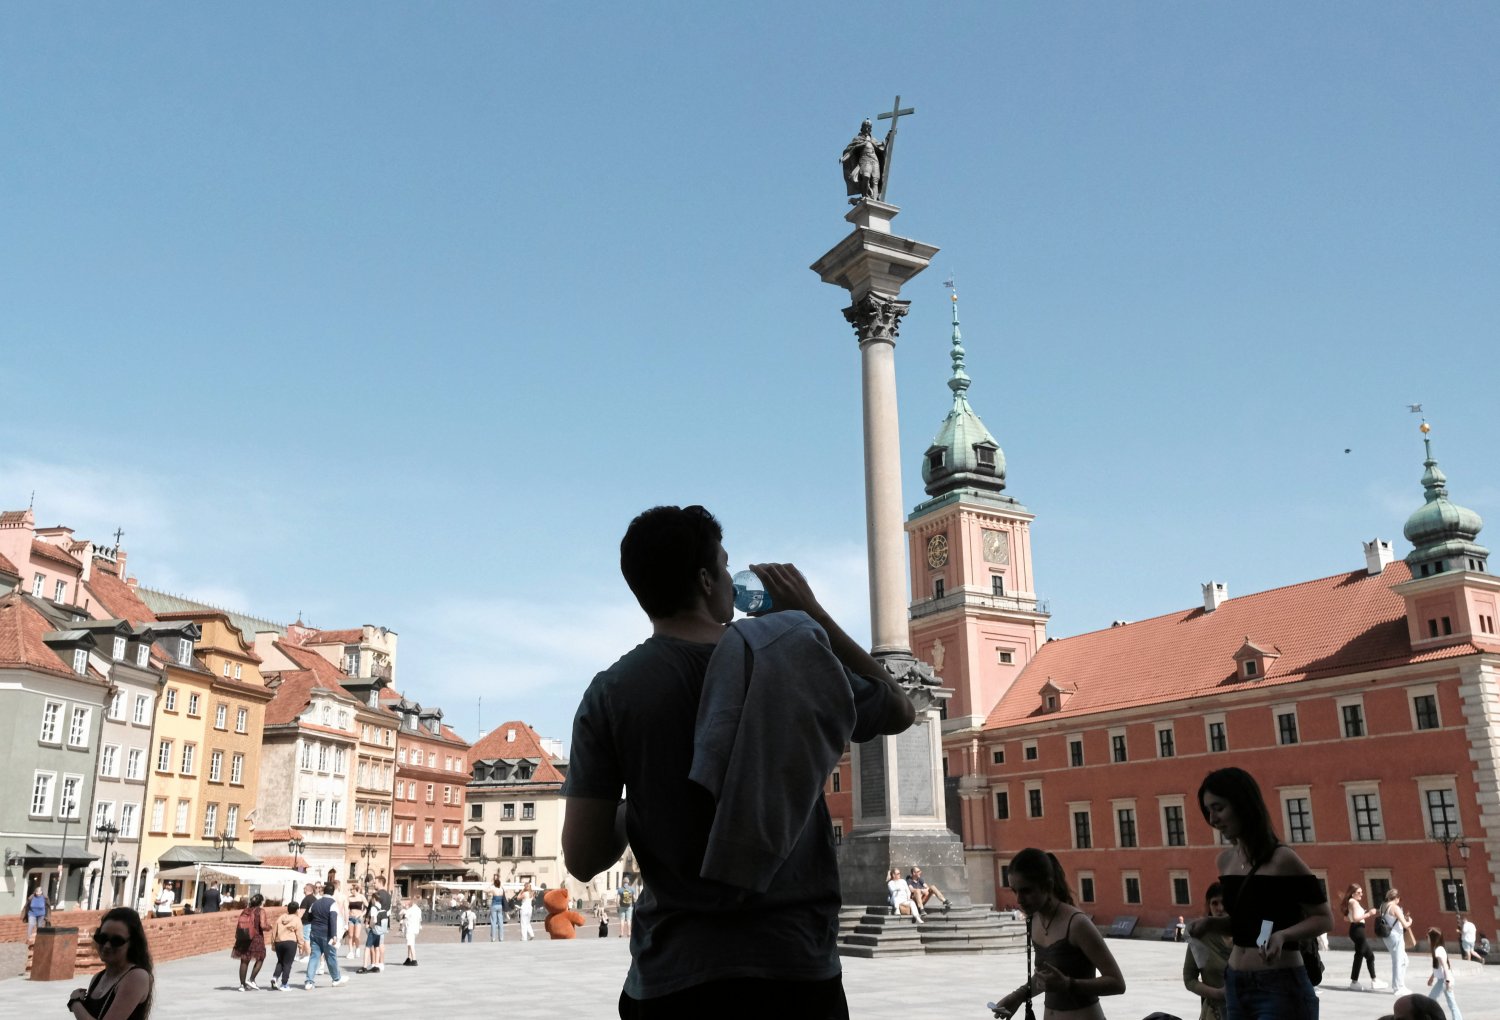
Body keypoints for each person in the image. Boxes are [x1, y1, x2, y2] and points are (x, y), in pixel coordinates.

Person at [561, 505, 915, 1017]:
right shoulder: (792, 659)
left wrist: (641, 802)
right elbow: (900, 708)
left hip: (674, 977)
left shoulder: (611, 693)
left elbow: (584, 856)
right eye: (724, 567)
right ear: (706, 580)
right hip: (795, 966)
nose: (731, 580)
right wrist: (813, 614)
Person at [1189, 767, 1332, 1020]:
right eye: (1208, 811)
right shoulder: (1225, 862)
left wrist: (1283, 935)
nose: (1212, 819)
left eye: (1218, 808)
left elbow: (1323, 918)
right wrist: (1211, 923)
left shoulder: (1283, 859)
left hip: (1279, 983)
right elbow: (1244, 924)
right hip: (1235, 982)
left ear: (1243, 804)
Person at [988, 848, 1126, 1019]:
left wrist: (1069, 984)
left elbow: (1117, 983)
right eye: (1015, 891)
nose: (1019, 900)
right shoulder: (1034, 921)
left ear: (1048, 885)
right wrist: (1018, 996)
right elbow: (1045, 979)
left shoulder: (1077, 924)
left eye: (1026, 891)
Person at [66, 907, 154, 1020]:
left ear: (132, 943)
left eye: (116, 941)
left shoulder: (136, 977)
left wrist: (75, 1003)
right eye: (102, 938)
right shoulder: (98, 978)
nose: (107, 946)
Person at [1183, 882, 1231, 1020]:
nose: (1220, 908)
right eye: (1214, 903)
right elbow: (1189, 979)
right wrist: (1217, 993)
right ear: (1208, 907)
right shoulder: (1200, 936)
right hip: (1215, 1012)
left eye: (1224, 902)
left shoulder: (1245, 934)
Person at [303, 881, 348, 989]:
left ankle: (309, 981)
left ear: (323, 892)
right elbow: (333, 919)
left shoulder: (315, 903)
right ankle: (336, 979)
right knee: (331, 956)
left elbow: (309, 917)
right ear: (333, 892)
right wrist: (334, 935)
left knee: (314, 957)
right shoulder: (332, 903)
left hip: (314, 933)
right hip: (326, 934)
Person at [1340, 882, 1379, 990]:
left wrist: (1360, 914)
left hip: (1355, 930)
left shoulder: (1350, 902)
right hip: (1358, 930)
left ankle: (1366, 981)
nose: (1361, 894)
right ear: (1353, 894)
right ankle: (1363, 981)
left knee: (1365, 956)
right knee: (1364, 956)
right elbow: (1357, 918)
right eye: (1359, 892)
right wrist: (1369, 913)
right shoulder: (1354, 903)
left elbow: (1346, 918)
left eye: (1361, 892)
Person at [230, 893, 273, 991]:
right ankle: (252, 979)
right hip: (256, 938)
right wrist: (269, 927)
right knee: (261, 957)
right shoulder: (261, 911)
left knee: (244, 960)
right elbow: (263, 925)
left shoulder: (245, 910)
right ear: (261, 902)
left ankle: (242, 985)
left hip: (244, 938)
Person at [1380, 888, 1415, 996]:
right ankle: (1397, 987)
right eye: (1399, 898)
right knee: (1398, 961)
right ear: (1396, 898)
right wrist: (1410, 921)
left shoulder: (1382, 906)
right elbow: (1405, 924)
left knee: (1404, 960)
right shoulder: (1395, 907)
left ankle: (1401, 984)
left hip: (1387, 936)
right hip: (1396, 936)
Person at [840, 119, 884, 202]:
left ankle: (874, 200)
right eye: (866, 127)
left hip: (874, 160)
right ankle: (865, 195)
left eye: (869, 128)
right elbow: (851, 150)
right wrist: (844, 158)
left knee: (875, 180)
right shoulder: (858, 139)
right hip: (865, 160)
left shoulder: (873, 140)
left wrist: (888, 137)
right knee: (866, 176)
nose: (868, 129)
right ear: (862, 128)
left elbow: (882, 148)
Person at [1424, 927, 1462, 1020]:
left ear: (1433, 938)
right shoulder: (1439, 949)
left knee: (1430, 1001)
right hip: (1445, 979)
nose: (1427, 939)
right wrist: (1432, 977)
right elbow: (1438, 967)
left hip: (1444, 981)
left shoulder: (1438, 950)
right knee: (1452, 1003)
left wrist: (1448, 980)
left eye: (1428, 937)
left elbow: (1445, 966)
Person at [270, 902, 307, 991]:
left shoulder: (281, 918)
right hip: (290, 942)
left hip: (279, 942)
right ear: (297, 910)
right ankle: (284, 984)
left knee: (280, 961)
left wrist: (273, 943)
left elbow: (274, 930)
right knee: (287, 963)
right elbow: (299, 934)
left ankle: (275, 977)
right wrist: (301, 946)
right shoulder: (297, 919)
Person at [399, 897, 421, 965]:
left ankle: (414, 959)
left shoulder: (411, 910)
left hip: (410, 928)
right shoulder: (418, 909)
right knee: (410, 943)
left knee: (411, 944)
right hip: (415, 928)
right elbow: (420, 919)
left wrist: (404, 908)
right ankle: (409, 958)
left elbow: (402, 915)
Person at [345, 885, 365, 960]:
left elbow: (367, 907)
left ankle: (357, 948)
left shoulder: (361, 897)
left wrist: (362, 914)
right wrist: (346, 918)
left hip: (358, 918)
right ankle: (350, 951)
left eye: (352, 889)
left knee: (356, 936)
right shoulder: (349, 898)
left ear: (356, 889)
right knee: (350, 935)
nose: (351, 891)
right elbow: (346, 908)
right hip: (351, 917)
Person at [488, 877, 506, 942]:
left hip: (494, 905)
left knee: (493, 922)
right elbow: (504, 889)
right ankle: (501, 938)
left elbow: (485, 890)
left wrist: (491, 884)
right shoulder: (501, 889)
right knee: (500, 922)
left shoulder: (493, 889)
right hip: (500, 906)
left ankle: (493, 938)